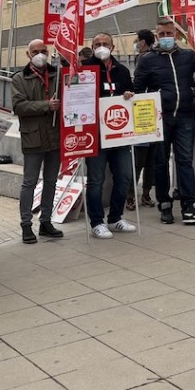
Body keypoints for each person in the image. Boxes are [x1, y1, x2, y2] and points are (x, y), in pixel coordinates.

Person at [130, 18, 195, 225]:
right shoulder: (147, 59)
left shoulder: (188, 56)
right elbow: (138, 88)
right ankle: (164, 204)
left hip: (185, 115)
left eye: (170, 34)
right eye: (162, 34)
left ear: (176, 35)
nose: (166, 38)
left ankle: (190, 205)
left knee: (185, 161)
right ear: (157, 36)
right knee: (160, 162)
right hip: (161, 118)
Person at [82, 33, 137, 238]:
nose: (101, 47)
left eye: (105, 44)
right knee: (96, 179)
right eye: (97, 44)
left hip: (119, 133)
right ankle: (97, 222)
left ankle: (115, 218)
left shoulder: (122, 70)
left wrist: (130, 96)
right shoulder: (85, 69)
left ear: (112, 47)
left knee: (123, 176)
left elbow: (131, 93)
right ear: (92, 46)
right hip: (95, 134)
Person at [11, 39, 65, 243]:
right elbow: (19, 106)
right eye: (36, 51)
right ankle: (26, 225)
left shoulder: (57, 74)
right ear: (28, 54)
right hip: (33, 138)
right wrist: (46, 105)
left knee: (51, 181)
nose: (40, 54)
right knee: (29, 183)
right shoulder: (19, 78)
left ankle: (46, 221)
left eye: (43, 50)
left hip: (55, 136)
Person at [129, 29, 158, 209]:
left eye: (137, 40)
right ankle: (131, 194)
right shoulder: (143, 58)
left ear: (143, 42)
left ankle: (143, 194)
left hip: (150, 113)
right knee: (140, 160)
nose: (135, 43)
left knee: (149, 161)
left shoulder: (148, 58)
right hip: (142, 112)